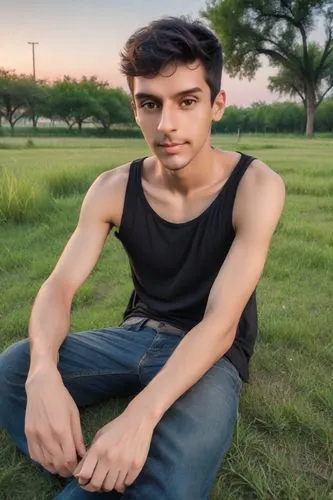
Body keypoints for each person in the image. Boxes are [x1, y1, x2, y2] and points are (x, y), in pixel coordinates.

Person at [0, 16, 285, 500]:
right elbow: (59, 287)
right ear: (134, 107)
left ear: (217, 105)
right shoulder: (112, 188)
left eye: (187, 101)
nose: (167, 124)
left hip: (211, 355)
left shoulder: (255, 187)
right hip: (135, 337)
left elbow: (220, 323)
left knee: (170, 480)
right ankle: (87, 465)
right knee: (13, 370)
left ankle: (105, 475)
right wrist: (45, 372)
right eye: (150, 104)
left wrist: (140, 415)